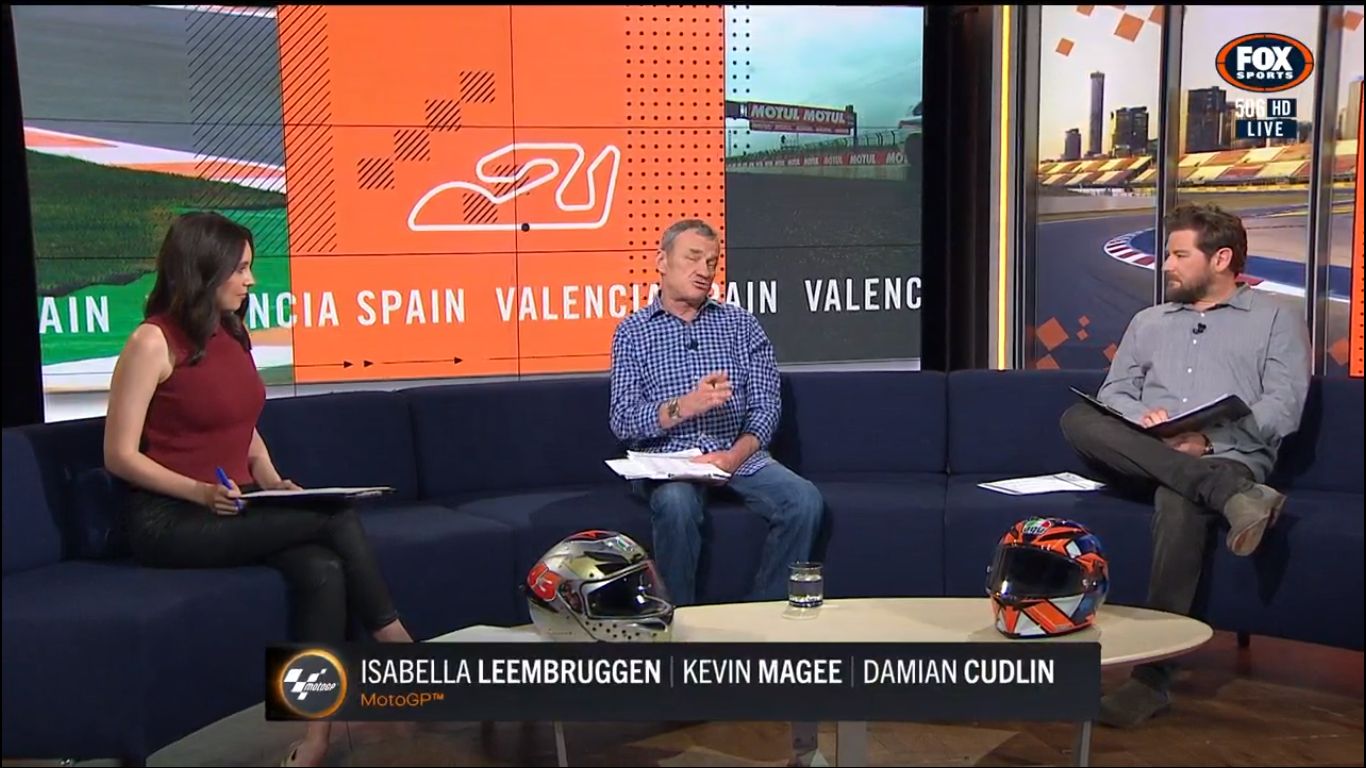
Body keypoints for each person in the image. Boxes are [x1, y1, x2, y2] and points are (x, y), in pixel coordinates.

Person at [103, 212, 414, 767]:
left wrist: (269, 478)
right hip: (168, 519)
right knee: (334, 514)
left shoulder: (230, 332)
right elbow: (120, 456)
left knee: (323, 569)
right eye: (241, 268)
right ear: (204, 268)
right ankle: (400, 648)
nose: (251, 280)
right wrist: (199, 493)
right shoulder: (152, 342)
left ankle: (314, 736)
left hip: (236, 502)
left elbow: (241, 423)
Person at [1059, 202, 1310, 728]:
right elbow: (1115, 393)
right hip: (1150, 454)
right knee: (1077, 419)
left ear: (1221, 259)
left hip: (1229, 459)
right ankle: (1228, 498)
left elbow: (1282, 408)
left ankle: (1151, 681)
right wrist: (1141, 417)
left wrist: (1208, 442)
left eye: (1178, 255)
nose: (1166, 265)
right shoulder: (1148, 322)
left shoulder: (1276, 320)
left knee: (1178, 500)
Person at [608, 219, 825, 607]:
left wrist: (732, 457)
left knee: (804, 500)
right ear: (662, 261)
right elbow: (623, 420)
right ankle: (680, 618)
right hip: (668, 460)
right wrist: (684, 406)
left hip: (735, 453)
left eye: (711, 262)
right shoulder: (633, 333)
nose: (704, 271)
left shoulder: (741, 325)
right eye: (692, 258)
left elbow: (765, 406)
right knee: (676, 505)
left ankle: (766, 613)